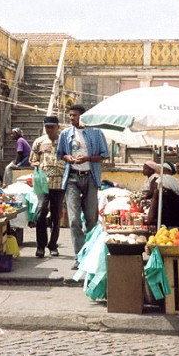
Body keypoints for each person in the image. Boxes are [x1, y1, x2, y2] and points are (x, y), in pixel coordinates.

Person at [56, 104, 109, 268]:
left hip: (91, 178)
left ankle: (91, 255)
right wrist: (68, 158)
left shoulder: (96, 132)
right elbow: (60, 154)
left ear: (83, 116)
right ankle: (79, 257)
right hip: (72, 178)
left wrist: (87, 159)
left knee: (91, 220)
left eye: (75, 115)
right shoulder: (65, 134)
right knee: (74, 220)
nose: (72, 118)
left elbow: (104, 155)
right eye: (70, 115)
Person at [29, 116, 66, 258]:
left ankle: (53, 245)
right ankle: (40, 246)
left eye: (52, 127)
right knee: (40, 214)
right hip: (43, 184)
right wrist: (37, 165)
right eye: (47, 127)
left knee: (56, 216)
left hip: (59, 183)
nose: (49, 129)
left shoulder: (65, 141)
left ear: (58, 127)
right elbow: (32, 160)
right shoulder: (39, 142)